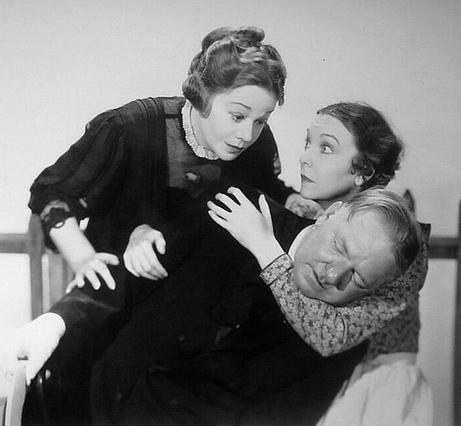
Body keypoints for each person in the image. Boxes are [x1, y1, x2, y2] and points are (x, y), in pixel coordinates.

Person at [4, 102, 427, 425]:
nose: (334, 273)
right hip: (107, 397)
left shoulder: (359, 307)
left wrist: (266, 250)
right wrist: (57, 322)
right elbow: (135, 273)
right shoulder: (249, 208)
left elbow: (295, 395)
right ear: (332, 217)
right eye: (308, 144)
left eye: (327, 148)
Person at [27, 25, 318, 291]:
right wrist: (83, 259)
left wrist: (293, 202)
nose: (247, 134)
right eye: (238, 116)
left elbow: (263, 186)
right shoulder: (129, 128)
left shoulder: (257, 140)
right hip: (123, 288)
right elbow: (53, 194)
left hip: (203, 296)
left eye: (261, 120)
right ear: (203, 95)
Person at [209, 187, 433, 425]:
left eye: (358, 279)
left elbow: (330, 336)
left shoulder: (402, 262)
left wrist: (266, 249)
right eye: (338, 247)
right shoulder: (297, 220)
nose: (333, 275)